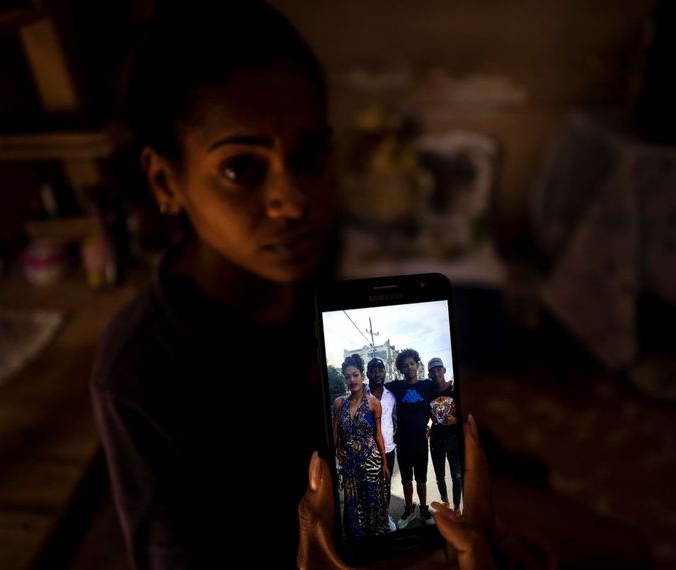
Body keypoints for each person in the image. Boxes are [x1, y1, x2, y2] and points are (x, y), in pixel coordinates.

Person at [90, 2, 495, 568]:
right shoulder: (141, 373)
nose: (295, 201)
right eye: (241, 168)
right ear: (165, 180)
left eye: (311, 156)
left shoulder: (318, 273)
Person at [333, 354, 390, 538]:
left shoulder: (374, 403)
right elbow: (335, 431)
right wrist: (336, 448)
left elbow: (378, 435)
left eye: (355, 375)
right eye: (347, 376)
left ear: (362, 375)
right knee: (352, 504)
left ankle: (375, 545)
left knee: (373, 504)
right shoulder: (339, 403)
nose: (351, 380)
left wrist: (385, 463)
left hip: (371, 462)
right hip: (349, 465)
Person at [386, 348, 436, 528]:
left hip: (421, 442)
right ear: (401, 369)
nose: (409, 368)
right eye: (405, 366)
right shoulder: (396, 387)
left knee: (421, 479)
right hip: (403, 442)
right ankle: (408, 508)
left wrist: (429, 426)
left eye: (412, 364)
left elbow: (438, 404)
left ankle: (423, 509)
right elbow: (376, 390)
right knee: (406, 479)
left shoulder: (427, 386)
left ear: (417, 364)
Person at [427, 357, 462, 516]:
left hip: (454, 439)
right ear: (429, 374)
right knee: (439, 476)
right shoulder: (428, 393)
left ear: (444, 370)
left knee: (457, 476)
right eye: (433, 371)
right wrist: (425, 427)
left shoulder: (455, 389)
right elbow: (423, 413)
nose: (436, 372)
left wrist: (456, 420)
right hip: (436, 440)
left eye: (438, 369)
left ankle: (457, 508)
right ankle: (445, 503)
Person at [367, 357, 397, 531]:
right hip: (368, 451)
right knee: (370, 486)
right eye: (373, 370)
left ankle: (385, 516)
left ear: (385, 372)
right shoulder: (362, 395)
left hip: (389, 449)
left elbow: (396, 418)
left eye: (380, 370)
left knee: (386, 485)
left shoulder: (391, 396)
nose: (377, 373)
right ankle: (372, 519)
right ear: (367, 373)